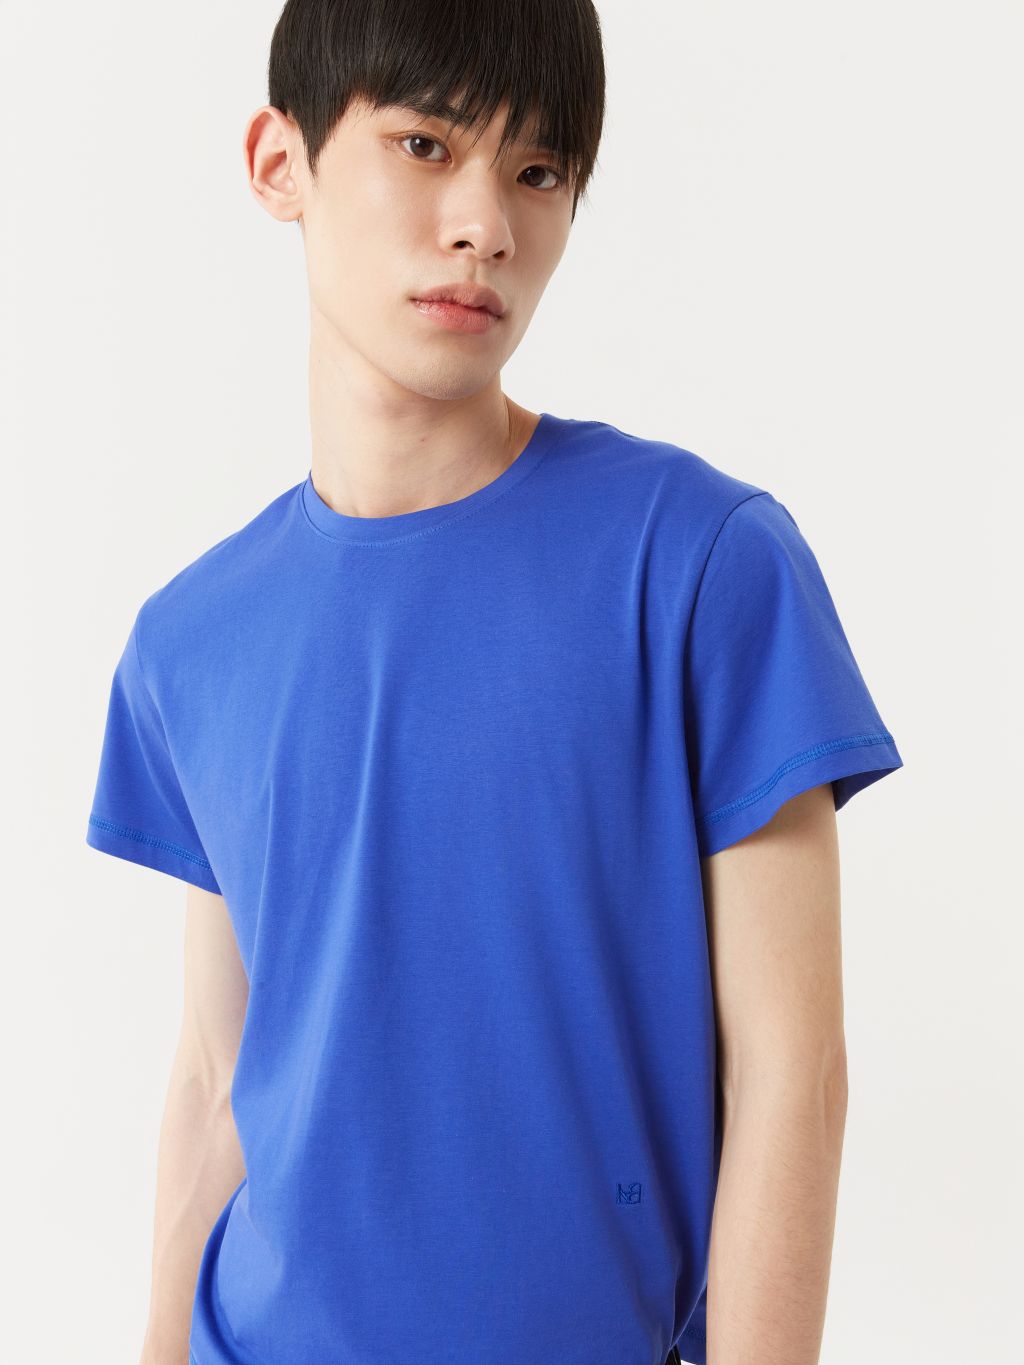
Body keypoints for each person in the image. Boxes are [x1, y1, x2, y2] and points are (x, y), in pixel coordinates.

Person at [84, 3, 904, 1363]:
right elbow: (219, 1080)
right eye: (425, 145)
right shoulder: (190, 640)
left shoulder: (702, 564)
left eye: (537, 171)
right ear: (280, 163)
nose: (486, 226)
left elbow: (792, 1074)